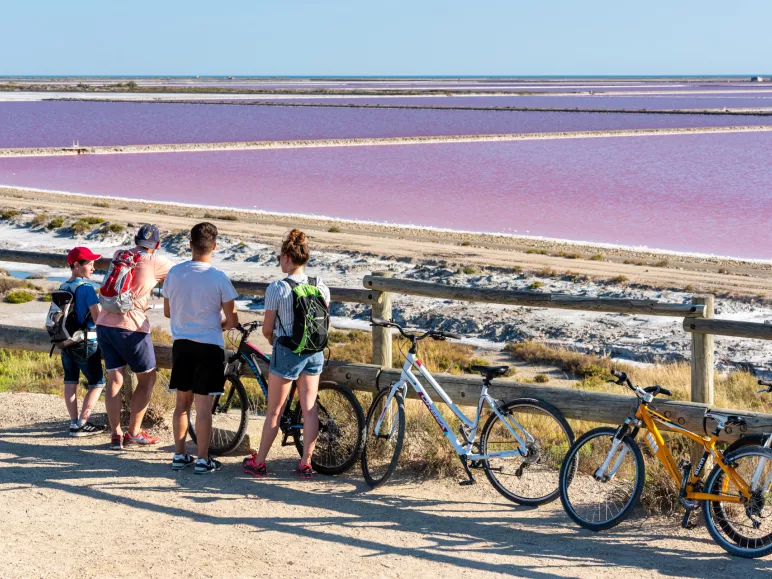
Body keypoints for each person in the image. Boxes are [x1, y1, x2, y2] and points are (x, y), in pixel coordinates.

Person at [243, 228, 330, 479]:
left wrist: (275, 342)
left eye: (281, 257)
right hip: (314, 352)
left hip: (288, 351)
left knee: (275, 410)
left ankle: (259, 463)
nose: (280, 261)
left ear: (287, 258)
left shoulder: (277, 288)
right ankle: (305, 463)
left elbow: (268, 329)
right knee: (309, 408)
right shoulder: (320, 285)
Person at [162, 222, 239, 474]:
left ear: (190, 244)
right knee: (204, 408)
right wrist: (219, 325)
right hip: (209, 346)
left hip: (182, 344)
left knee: (182, 403)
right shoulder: (218, 277)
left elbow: (167, 311)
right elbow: (233, 319)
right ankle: (203, 459)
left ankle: (179, 454)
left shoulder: (174, 273)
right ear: (214, 246)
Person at [97, 224, 173, 450]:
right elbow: (180, 274)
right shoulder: (156, 261)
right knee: (147, 379)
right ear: (157, 245)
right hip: (130, 326)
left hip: (104, 323)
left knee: (115, 379)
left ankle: (115, 434)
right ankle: (134, 432)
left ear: (135, 239)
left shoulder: (120, 255)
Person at [60, 247, 107, 437]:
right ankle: (82, 422)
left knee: (70, 381)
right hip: (85, 342)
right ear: (77, 265)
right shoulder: (86, 289)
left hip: (65, 341)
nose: (93, 268)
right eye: (90, 263)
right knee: (97, 383)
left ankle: (73, 423)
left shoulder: (62, 286)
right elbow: (97, 319)